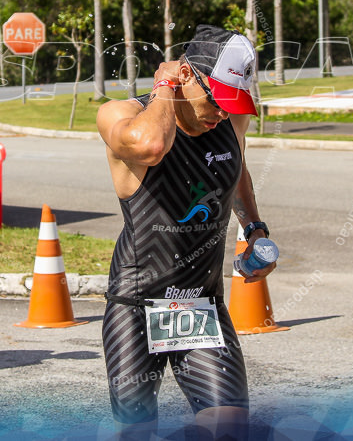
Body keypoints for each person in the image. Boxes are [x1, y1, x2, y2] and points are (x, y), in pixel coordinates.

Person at [97, 25, 275, 441]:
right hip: (136, 304)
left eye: (235, 103)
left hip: (201, 305)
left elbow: (237, 167)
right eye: (218, 99)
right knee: (137, 434)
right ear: (186, 77)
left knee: (229, 427)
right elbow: (151, 145)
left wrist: (254, 227)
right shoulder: (119, 115)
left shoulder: (230, 122)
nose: (224, 113)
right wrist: (164, 84)